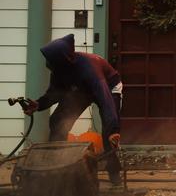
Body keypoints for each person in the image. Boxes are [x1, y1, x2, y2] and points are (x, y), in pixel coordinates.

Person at [23, 34, 123, 185]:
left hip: (109, 86)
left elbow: (106, 100)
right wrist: (38, 105)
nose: (47, 64)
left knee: (108, 134)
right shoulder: (59, 70)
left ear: (63, 60)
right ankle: (57, 166)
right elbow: (54, 94)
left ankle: (114, 175)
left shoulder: (90, 70)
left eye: (51, 61)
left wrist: (114, 128)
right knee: (57, 121)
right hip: (82, 89)